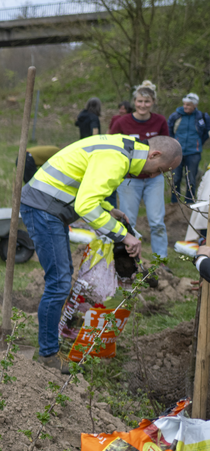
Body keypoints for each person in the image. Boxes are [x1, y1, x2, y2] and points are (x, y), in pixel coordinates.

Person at [19, 134, 181, 374]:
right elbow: (85, 205)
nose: (156, 176)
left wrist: (108, 209)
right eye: (160, 170)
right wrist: (124, 236)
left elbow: (87, 186)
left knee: (62, 279)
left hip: (50, 205)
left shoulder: (123, 149)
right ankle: (48, 355)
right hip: (44, 208)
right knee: (59, 283)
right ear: (154, 155)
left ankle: (51, 342)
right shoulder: (117, 159)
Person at [108, 80, 170, 261]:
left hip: (154, 178)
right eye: (140, 101)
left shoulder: (160, 121)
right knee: (129, 221)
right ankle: (128, 261)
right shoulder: (121, 123)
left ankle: (161, 260)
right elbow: (110, 148)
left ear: (153, 102)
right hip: (129, 179)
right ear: (134, 102)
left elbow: (167, 147)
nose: (143, 105)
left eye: (147, 101)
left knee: (157, 222)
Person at [168, 92, 210, 205]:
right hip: (177, 152)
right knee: (176, 177)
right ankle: (174, 202)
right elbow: (169, 131)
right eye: (184, 104)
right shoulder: (176, 116)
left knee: (191, 178)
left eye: (189, 105)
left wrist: (198, 143)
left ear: (195, 105)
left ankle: (189, 201)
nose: (185, 106)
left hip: (194, 152)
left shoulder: (202, 117)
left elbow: (206, 133)